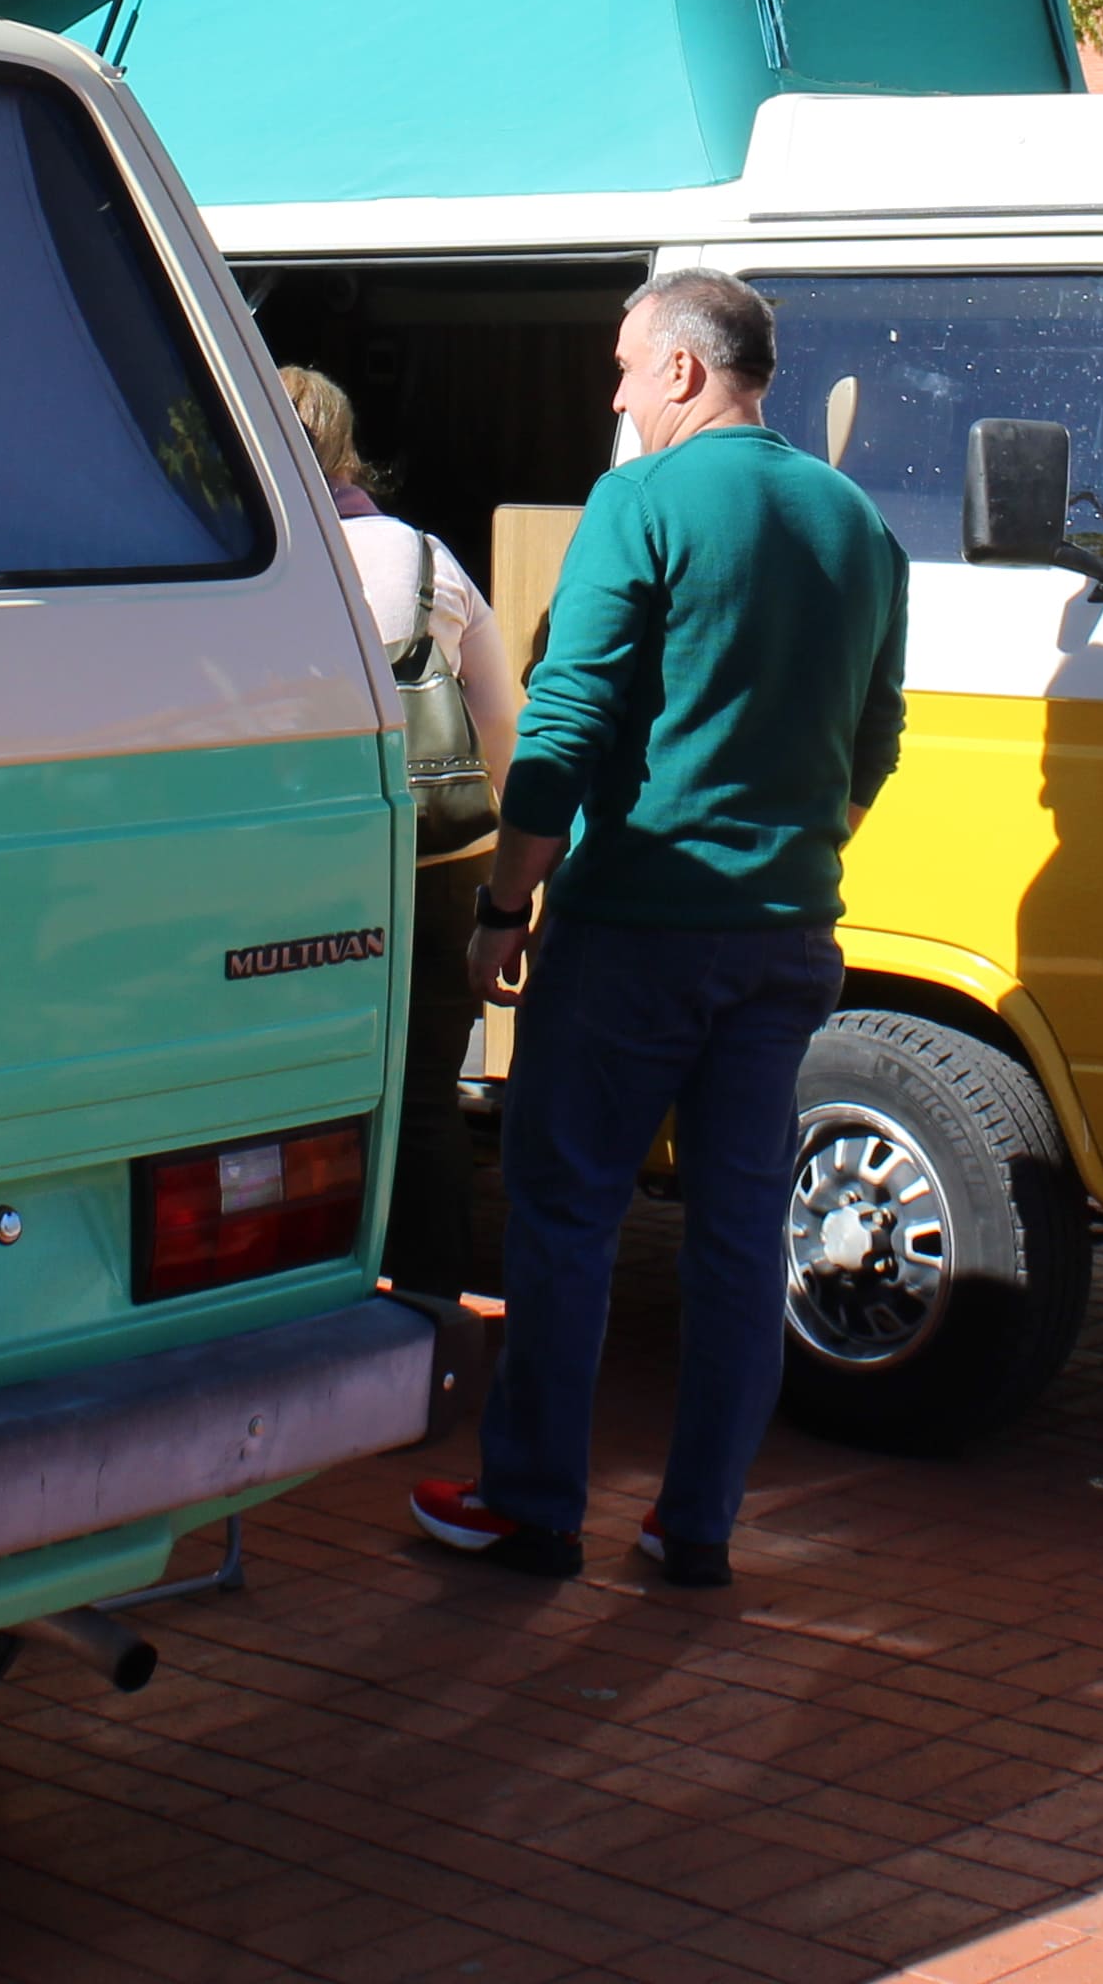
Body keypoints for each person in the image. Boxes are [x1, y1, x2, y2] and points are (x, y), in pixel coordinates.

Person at [408, 270, 905, 1591]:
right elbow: (876, 746)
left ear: (685, 371)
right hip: (786, 939)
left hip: (634, 930)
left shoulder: (642, 502)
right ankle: (698, 1527)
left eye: (627, 369)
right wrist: (787, 852)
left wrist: (506, 905)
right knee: (741, 1237)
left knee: (565, 1218)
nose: (619, 395)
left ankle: (532, 1507)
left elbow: (563, 732)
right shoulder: (857, 522)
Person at [279, 366, 517, 1301]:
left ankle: (305, 1296)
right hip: (440, 861)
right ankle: (427, 1310)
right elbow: (505, 730)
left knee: (296, 1094)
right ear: (348, 448)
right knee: (421, 1100)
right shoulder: (423, 560)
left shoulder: (255, 571)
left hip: (306, 871)